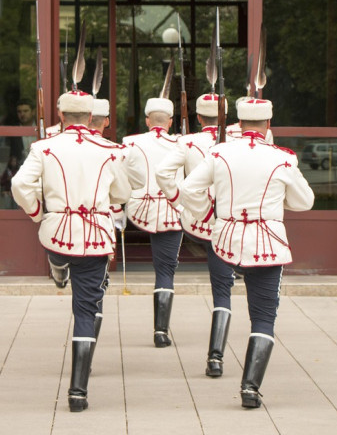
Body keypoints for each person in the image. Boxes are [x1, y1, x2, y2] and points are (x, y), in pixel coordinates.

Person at [178, 97, 314, 408]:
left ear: (238, 123)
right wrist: (278, 203)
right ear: (268, 125)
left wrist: (206, 214)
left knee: (222, 295)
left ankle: (217, 357)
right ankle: (250, 389)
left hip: (226, 240)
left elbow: (189, 189)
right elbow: (305, 201)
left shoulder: (219, 152)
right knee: (264, 317)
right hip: (267, 244)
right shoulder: (283, 158)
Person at [11, 90, 130, 413]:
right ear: (91, 118)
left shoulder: (44, 147)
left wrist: (38, 212)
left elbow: (20, 185)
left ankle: (58, 264)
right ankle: (78, 392)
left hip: (58, 231)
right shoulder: (109, 150)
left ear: (61, 117)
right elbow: (122, 191)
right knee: (85, 312)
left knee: (59, 254)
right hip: (94, 235)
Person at [156, 92, 235, 376]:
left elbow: (163, 173)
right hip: (233, 224)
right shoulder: (238, 141)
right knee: (223, 291)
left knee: (221, 286)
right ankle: (216, 357)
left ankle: (215, 357)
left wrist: (181, 201)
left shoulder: (186, 141)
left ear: (199, 118)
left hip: (200, 223)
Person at [122, 95, 183, 348]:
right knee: (165, 271)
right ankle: (160, 331)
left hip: (140, 210)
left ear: (147, 120)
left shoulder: (129, 143)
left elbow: (120, 175)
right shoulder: (182, 143)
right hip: (172, 209)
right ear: (170, 121)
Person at [9, 100, 38, 166]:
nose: (22, 114)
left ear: (33, 112)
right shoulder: (14, 132)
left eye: (25, 111)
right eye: (19, 112)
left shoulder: (40, 129)